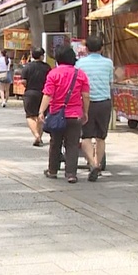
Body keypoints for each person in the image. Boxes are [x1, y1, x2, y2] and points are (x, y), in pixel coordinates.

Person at [39, 46, 90, 184]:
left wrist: (41, 111)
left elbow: (48, 94)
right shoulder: (80, 74)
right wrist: (85, 112)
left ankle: (52, 170)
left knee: (55, 143)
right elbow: (85, 95)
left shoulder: (53, 74)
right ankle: (71, 174)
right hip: (75, 114)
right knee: (72, 144)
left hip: (56, 113)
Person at [76, 35, 115, 182]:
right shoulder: (108, 63)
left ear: (86, 49)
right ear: (102, 48)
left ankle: (92, 164)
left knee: (86, 136)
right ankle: (98, 164)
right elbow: (110, 82)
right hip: (104, 102)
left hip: (87, 102)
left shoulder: (80, 64)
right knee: (101, 137)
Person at [21, 47, 51, 147]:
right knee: (41, 115)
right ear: (42, 56)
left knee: (30, 115)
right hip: (43, 94)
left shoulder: (27, 67)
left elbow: (23, 81)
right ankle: (39, 137)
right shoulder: (47, 67)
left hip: (30, 92)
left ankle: (36, 135)